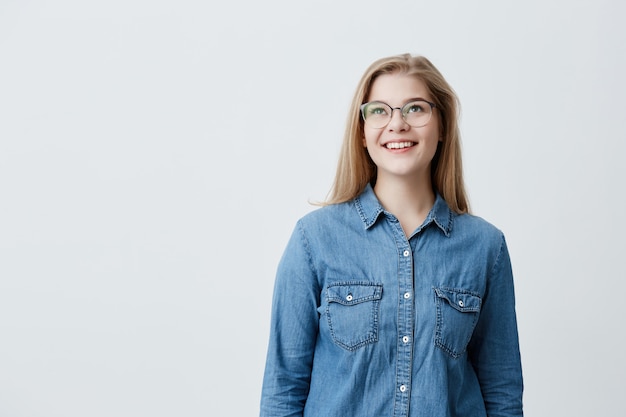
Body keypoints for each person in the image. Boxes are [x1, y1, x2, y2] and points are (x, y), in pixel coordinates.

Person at [260, 53, 523, 417]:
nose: (397, 124)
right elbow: (283, 389)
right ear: (362, 133)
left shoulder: (485, 247)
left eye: (415, 109)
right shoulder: (314, 240)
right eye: (379, 111)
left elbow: (502, 392)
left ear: (442, 125)